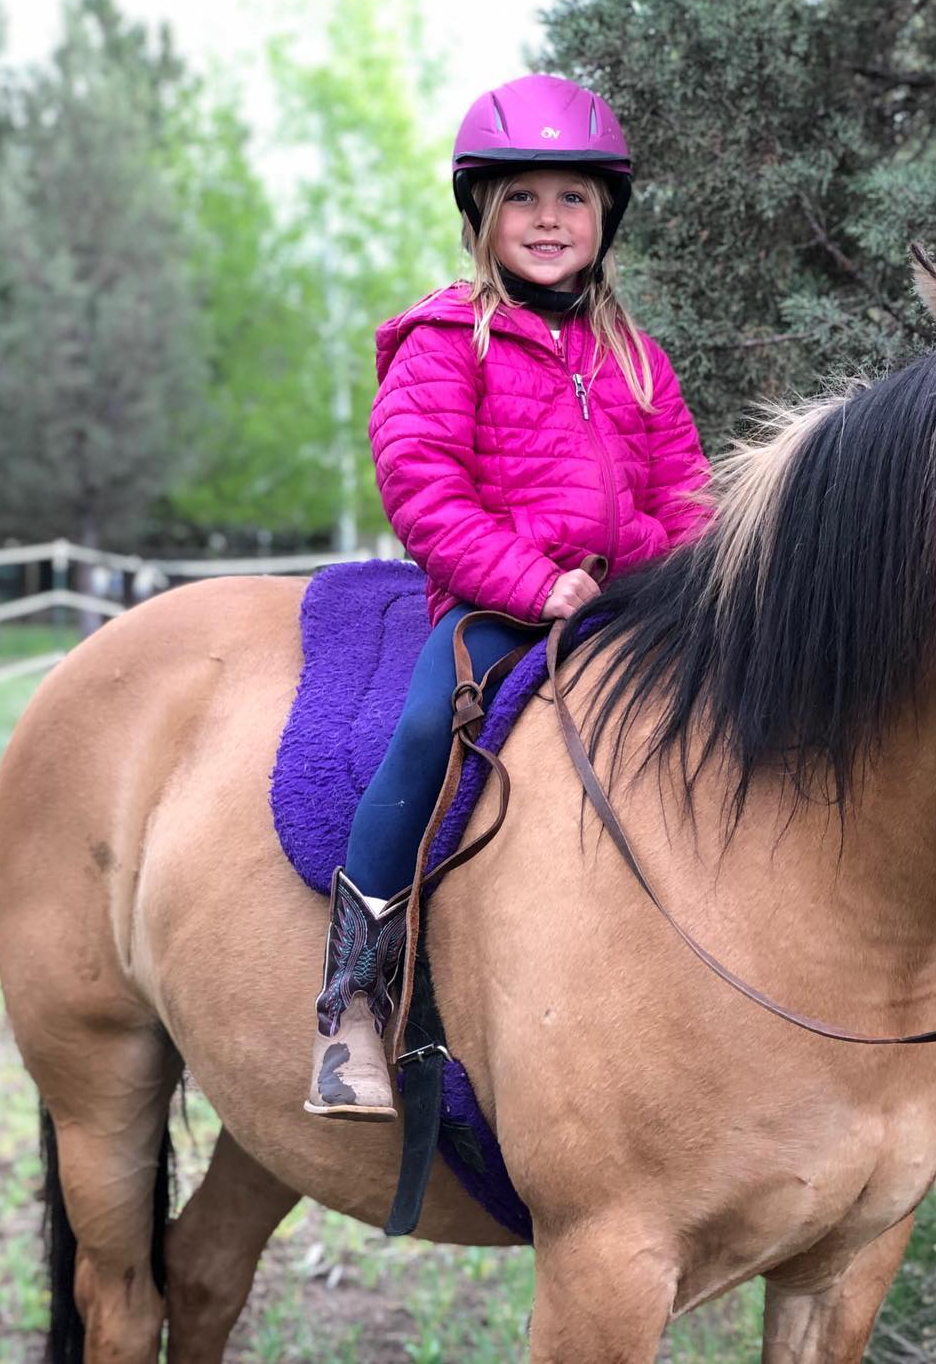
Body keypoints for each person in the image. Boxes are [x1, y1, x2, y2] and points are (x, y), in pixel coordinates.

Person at [305, 74, 712, 1120]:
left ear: (602, 218)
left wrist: (675, 575)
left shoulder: (637, 359)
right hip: (498, 609)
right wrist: (538, 582)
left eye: (570, 198)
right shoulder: (447, 342)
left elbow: (685, 492)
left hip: (635, 610)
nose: (547, 219)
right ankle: (354, 996)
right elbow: (424, 494)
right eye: (521, 198)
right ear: (483, 216)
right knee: (424, 734)